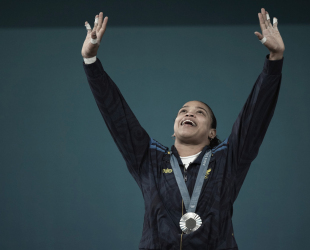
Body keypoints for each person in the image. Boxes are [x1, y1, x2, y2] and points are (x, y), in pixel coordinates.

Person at [81, 7, 284, 250]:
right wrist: (90, 61)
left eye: (200, 112)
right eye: (183, 110)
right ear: (174, 130)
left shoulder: (228, 160)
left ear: (211, 133)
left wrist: (275, 61)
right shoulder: (149, 159)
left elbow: (255, 115)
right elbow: (116, 114)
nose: (189, 113)